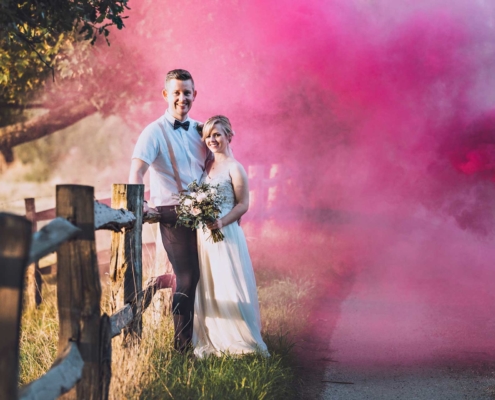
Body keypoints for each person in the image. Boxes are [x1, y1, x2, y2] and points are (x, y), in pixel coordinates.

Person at [129, 69, 208, 352]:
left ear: (194, 95)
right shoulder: (153, 132)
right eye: (176, 92)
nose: (181, 98)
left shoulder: (202, 130)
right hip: (172, 212)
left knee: (201, 274)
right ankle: (182, 345)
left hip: (204, 212)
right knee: (188, 276)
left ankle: (159, 284)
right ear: (165, 95)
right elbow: (136, 171)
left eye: (187, 92)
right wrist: (141, 203)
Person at [193, 115, 269, 358]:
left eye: (217, 134)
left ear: (228, 136)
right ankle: (212, 336)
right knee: (209, 284)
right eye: (208, 135)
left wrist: (220, 222)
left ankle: (239, 340)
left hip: (226, 235)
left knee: (228, 284)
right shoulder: (206, 166)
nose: (212, 139)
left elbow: (243, 204)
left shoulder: (235, 168)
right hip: (205, 237)